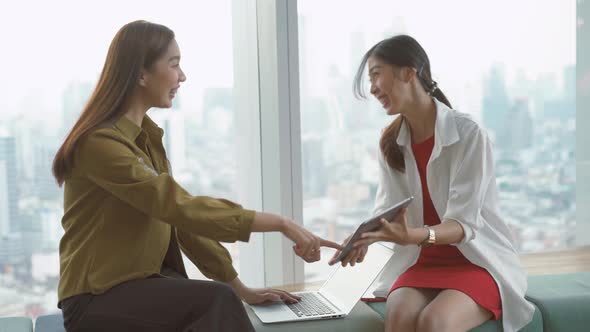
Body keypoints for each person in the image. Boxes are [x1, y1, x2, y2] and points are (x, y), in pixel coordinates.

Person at [52, 20, 342, 332]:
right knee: (215, 301)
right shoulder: (99, 144)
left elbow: (181, 223)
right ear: (140, 73)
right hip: (95, 300)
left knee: (219, 299)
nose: (183, 77)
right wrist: (281, 223)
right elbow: (178, 206)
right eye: (174, 65)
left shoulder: (147, 139)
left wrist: (241, 288)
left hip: (139, 287)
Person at [329, 35, 535, 332]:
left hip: (476, 262)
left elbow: (464, 226)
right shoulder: (391, 142)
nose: (372, 88)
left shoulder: (468, 134)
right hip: (421, 263)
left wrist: (412, 235)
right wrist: (362, 238)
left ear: (409, 72)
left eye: (376, 75)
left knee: (434, 321)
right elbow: (387, 209)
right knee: (398, 317)